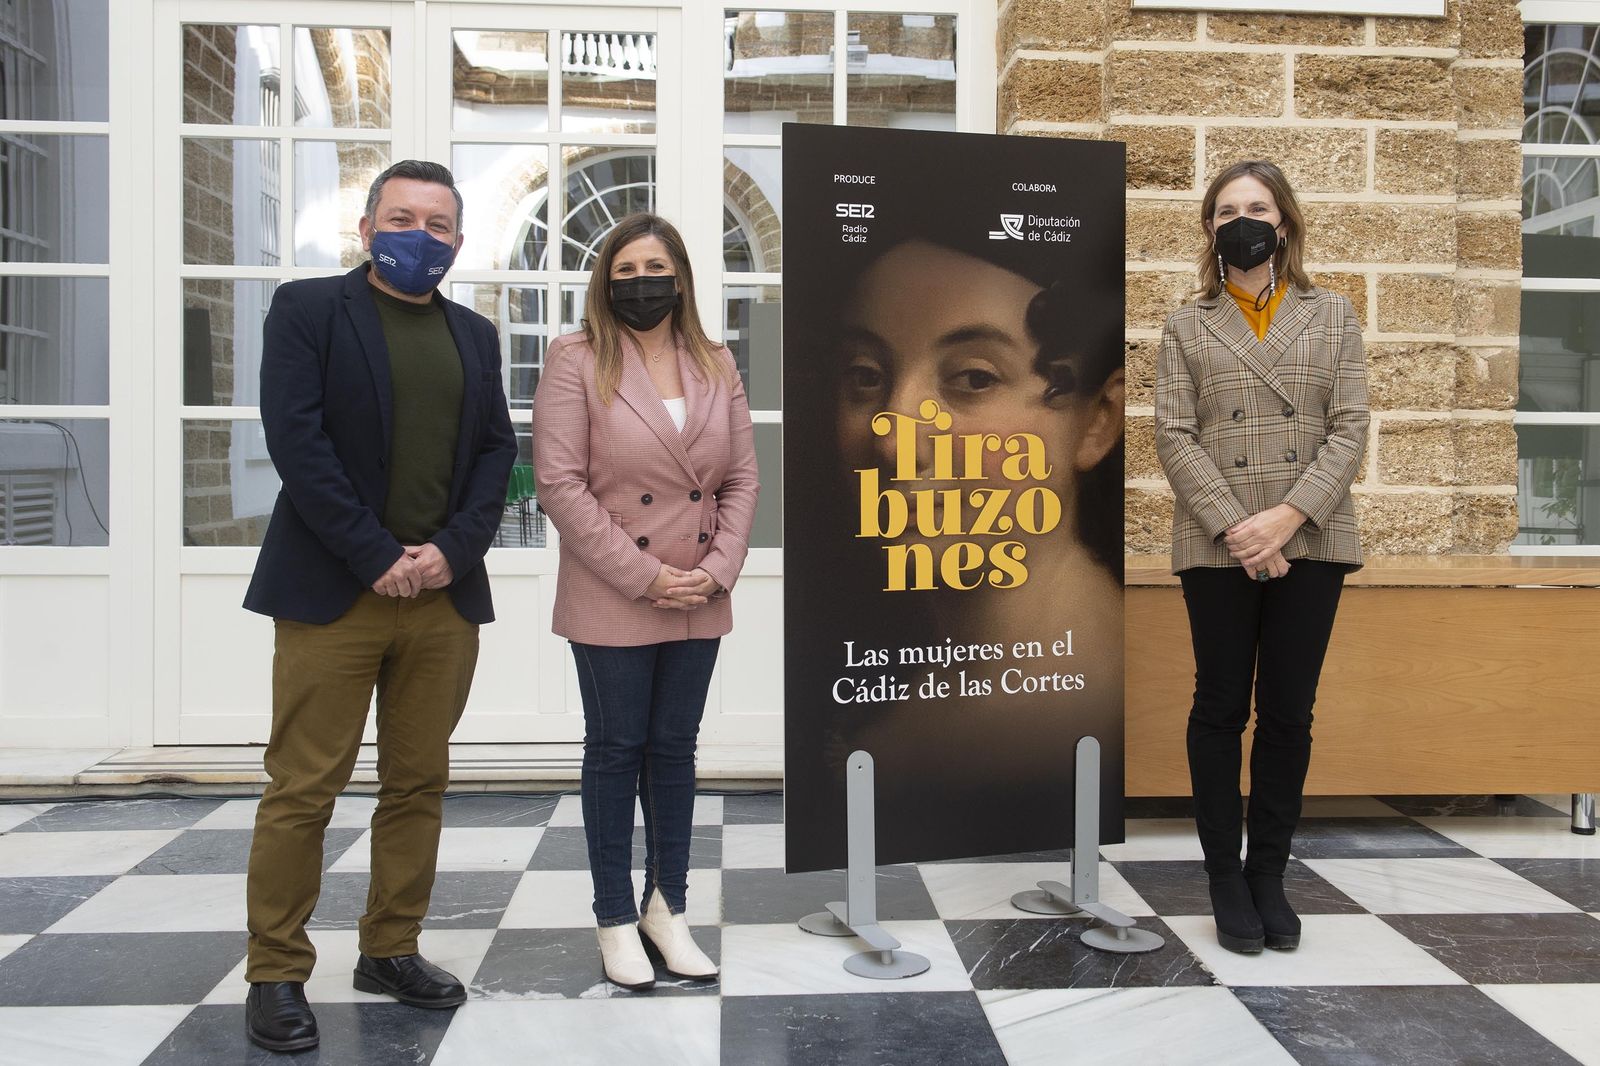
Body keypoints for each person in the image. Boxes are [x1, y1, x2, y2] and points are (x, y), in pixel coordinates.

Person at [240, 159, 517, 1051]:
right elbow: (297, 440)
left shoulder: (475, 335)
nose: (419, 236)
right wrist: (375, 555)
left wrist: (450, 551)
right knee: (303, 789)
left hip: (440, 598)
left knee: (417, 784)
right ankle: (276, 971)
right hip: (334, 593)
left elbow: (492, 456)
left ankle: (389, 949)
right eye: (402, 217)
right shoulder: (308, 309)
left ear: (459, 243)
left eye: (438, 225)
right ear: (366, 228)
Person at [533, 213, 759, 991]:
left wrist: (719, 566)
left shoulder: (715, 359)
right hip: (614, 588)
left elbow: (741, 478)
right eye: (624, 270)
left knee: (673, 752)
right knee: (616, 749)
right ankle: (613, 918)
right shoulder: (576, 359)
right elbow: (558, 483)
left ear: (682, 277)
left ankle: (668, 908)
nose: (641, 282)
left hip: (698, 590)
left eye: (654, 268)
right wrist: (645, 575)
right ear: (605, 281)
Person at [1154, 159, 1369, 955]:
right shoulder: (1185, 325)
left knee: (1288, 712)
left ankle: (1268, 872)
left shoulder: (1335, 314)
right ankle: (1222, 875)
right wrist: (1239, 527)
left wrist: (1284, 519)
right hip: (1217, 543)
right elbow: (1173, 434)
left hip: (1310, 537)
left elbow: (1350, 429)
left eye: (1258, 207)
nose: (1242, 220)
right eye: (1225, 210)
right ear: (1209, 230)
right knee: (1219, 708)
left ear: (1284, 224)